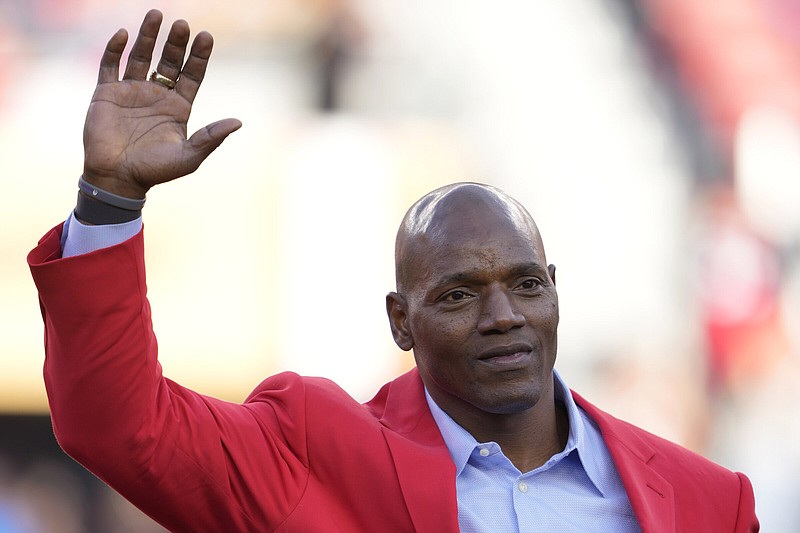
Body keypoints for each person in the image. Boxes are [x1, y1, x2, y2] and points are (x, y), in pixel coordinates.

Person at [28, 10, 758, 533]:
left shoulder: (708, 502)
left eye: (526, 283)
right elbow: (119, 425)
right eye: (459, 294)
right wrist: (110, 199)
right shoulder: (314, 449)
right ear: (400, 321)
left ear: (556, 293)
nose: (503, 313)